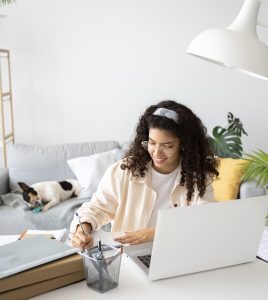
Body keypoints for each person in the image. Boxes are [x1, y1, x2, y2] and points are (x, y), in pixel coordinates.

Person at [70, 100, 219, 249]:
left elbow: (204, 219)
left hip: (177, 251)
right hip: (128, 255)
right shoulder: (124, 171)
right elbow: (97, 208)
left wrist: (154, 233)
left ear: (184, 145)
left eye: (168, 146)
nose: (157, 153)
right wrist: (83, 228)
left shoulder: (198, 177)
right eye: (152, 143)